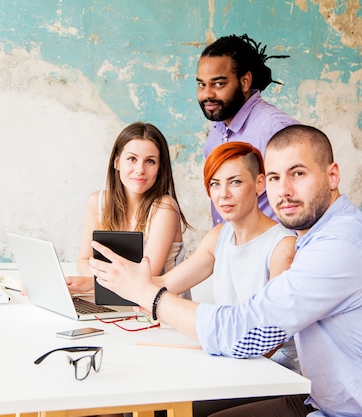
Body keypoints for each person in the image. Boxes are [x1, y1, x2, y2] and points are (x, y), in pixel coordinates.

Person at [90, 124, 362, 417]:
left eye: (298, 174)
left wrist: (151, 297)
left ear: (332, 175)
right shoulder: (315, 236)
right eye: (274, 177)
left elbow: (248, 332)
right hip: (322, 401)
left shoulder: (337, 246)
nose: (283, 191)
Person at [154, 141, 299, 372]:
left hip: (273, 371)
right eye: (215, 184)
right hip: (232, 362)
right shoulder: (219, 236)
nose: (224, 194)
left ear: (259, 183)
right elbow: (164, 285)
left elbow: (269, 340)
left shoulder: (283, 246)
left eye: (235, 182)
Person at [66, 121, 191, 294]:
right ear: (116, 162)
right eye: (132, 159)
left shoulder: (164, 208)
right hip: (118, 303)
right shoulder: (97, 202)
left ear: (160, 168)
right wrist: (91, 282)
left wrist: (93, 283)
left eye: (150, 161)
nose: (140, 169)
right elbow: (84, 260)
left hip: (160, 311)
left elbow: (146, 277)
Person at [197, 33, 299, 225]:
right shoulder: (217, 130)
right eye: (202, 84)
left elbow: (303, 205)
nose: (207, 94)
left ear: (245, 82)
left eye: (218, 84)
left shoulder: (275, 129)